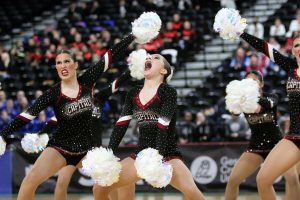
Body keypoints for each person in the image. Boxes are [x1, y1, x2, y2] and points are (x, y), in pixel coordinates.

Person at [0, 33, 136, 200]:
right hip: (61, 148)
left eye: (67, 61)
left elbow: (111, 55)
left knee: (112, 180)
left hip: (89, 150)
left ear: (75, 65)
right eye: (58, 62)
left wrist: (133, 35)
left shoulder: (87, 81)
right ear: (56, 68)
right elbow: (27, 115)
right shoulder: (53, 93)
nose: (63, 65)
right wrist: (3, 134)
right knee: (30, 181)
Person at [92, 54, 205, 200]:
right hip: (140, 155)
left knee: (192, 192)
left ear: (163, 71)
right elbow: (121, 125)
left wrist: (158, 158)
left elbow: (162, 126)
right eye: (148, 57)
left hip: (167, 155)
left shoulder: (167, 92)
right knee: (100, 187)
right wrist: (109, 155)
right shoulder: (133, 93)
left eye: (156, 58)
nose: (149, 58)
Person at [35, 70, 136, 200]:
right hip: (73, 149)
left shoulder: (99, 98)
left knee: (108, 182)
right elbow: (53, 121)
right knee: (62, 182)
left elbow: (118, 82)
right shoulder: (70, 103)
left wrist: (133, 67)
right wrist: (40, 133)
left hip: (95, 152)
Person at [236, 28, 300, 200]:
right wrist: (241, 34)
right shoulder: (291, 67)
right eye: (296, 45)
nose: (299, 48)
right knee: (263, 179)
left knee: (294, 181)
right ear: (292, 49)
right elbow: (264, 47)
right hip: (294, 136)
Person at [224, 70, 300, 200]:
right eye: (247, 81)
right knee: (232, 181)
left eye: (254, 81)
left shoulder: (272, 96)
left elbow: (267, 104)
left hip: (277, 145)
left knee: (292, 179)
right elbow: (234, 112)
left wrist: (250, 96)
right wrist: (235, 98)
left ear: (262, 84)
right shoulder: (243, 101)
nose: (250, 84)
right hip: (256, 147)